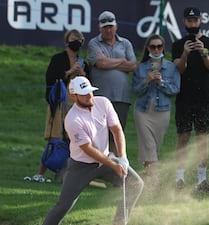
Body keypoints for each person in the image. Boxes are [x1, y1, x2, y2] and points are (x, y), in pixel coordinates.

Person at [42, 76, 144, 225]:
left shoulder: (103, 102)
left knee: (135, 183)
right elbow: (88, 149)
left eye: (90, 91)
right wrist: (114, 165)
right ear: (74, 96)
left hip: (106, 158)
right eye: (84, 94)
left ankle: (119, 222)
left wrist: (122, 157)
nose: (89, 96)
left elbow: (116, 129)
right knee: (63, 205)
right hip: (81, 166)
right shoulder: (72, 119)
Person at [30, 29, 89, 183]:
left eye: (79, 39)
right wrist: (70, 71)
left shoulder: (84, 63)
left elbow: (88, 87)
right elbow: (50, 79)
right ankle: (40, 173)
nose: (76, 41)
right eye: (73, 38)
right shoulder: (57, 59)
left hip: (75, 106)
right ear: (66, 41)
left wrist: (82, 75)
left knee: (73, 139)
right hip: (59, 105)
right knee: (55, 138)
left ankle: (67, 173)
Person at [171, 7, 209, 192]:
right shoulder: (178, 44)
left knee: (202, 140)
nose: (192, 23)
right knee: (183, 137)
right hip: (184, 98)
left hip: (205, 98)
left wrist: (203, 52)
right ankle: (180, 179)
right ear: (184, 22)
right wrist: (184, 53)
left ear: (200, 21)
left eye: (195, 20)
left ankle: (202, 180)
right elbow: (179, 68)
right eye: (189, 21)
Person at [132, 34, 181, 189]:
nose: (156, 49)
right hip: (143, 112)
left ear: (163, 48)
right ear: (148, 48)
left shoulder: (172, 67)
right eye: (153, 46)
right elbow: (136, 91)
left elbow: (175, 89)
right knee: (149, 146)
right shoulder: (141, 68)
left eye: (159, 46)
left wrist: (161, 82)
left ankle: (145, 183)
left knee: (153, 148)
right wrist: (146, 81)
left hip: (162, 112)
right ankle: (156, 182)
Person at [87, 10, 137, 154]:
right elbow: (100, 64)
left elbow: (133, 65)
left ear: (116, 26)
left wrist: (109, 61)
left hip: (121, 97)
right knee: (98, 135)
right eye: (105, 27)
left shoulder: (125, 43)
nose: (108, 30)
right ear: (100, 28)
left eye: (111, 26)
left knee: (117, 133)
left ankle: (115, 167)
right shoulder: (94, 43)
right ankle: (97, 166)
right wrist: (122, 60)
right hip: (100, 98)